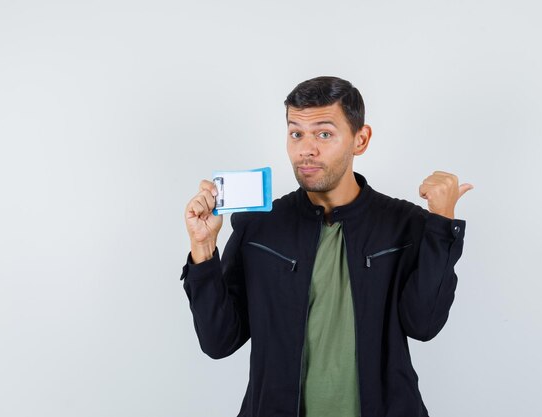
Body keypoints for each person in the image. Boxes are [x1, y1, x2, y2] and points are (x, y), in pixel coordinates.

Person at [180, 76, 472, 417]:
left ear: (360, 140)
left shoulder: (404, 224)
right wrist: (203, 249)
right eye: (296, 133)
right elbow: (219, 341)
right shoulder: (259, 227)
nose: (307, 149)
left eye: (324, 133)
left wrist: (441, 223)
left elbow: (424, 324)